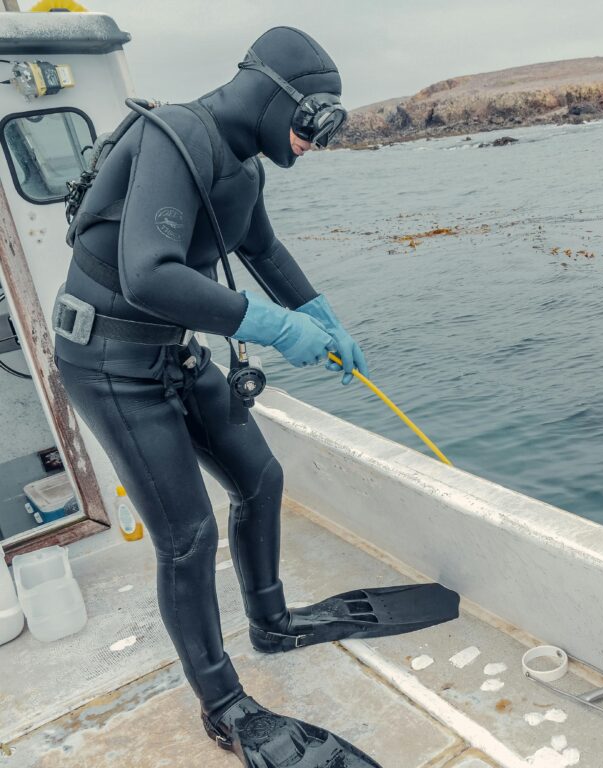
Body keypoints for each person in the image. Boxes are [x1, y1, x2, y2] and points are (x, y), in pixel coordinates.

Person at [53, 27, 459, 768]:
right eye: (316, 122)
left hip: (170, 349)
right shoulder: (175, 137)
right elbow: (147, 274)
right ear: (279, 98)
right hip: (108, 358)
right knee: (186, 537)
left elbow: (262, 251)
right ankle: (224, 704)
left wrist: (321, 315)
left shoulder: (240, 166)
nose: (316, 141)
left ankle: (272, 621)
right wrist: (271, 326)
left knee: (260, 479)